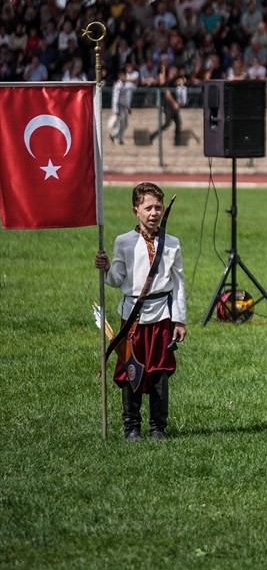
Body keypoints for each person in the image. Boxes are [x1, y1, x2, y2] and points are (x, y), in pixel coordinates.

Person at [94, 183, 187, 441]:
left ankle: (158, 427)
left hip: (161, 317)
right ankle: (131, 427)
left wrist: (179, 320)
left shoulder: (172, 243)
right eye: (148, 208)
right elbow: (116, 279)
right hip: (132, 318)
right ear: (136, 210)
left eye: (158, 207)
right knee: (131, 371)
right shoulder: (124, 241)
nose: (154, 213)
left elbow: (178, 283)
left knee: (159, 371)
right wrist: (106, 268)